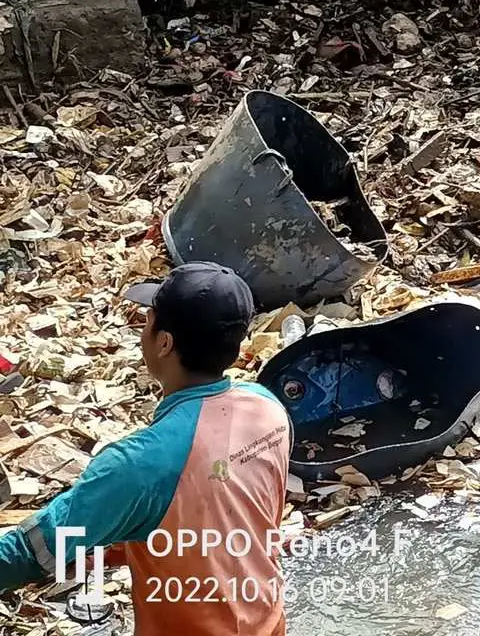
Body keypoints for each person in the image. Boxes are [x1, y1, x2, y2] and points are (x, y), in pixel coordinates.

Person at [0, 263, 291, 636]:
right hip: (266, 623)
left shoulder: (138, 465)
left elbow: (31, 551)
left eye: (147, 319)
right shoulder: (267, 407)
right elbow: (222, 515)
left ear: (164, 341)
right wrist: (103, 547)